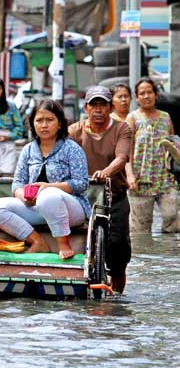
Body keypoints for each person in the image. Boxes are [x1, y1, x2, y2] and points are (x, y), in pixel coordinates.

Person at [0, 100, 90, 260]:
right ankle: (37, 242)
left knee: (49, 196)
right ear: (33, 124)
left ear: (59, 124)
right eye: (39, 120)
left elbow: (81, 183)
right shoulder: (28, 150)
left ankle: (63, 243)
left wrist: (49, 187)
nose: (44, 125)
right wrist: (24, 197)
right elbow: (17, 183)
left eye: (49, 120)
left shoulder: (72, 149)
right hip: (35, 207)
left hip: (70, 208)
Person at [69, 86, 132, 293]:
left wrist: (105, 172)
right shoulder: (74, 131)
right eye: (93, 105)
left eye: (102, 105)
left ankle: (117, 294)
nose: (98, 110)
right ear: (86, 107)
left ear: (109, 107)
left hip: (115, 197)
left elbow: (122, 157)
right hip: (82, 198)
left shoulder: (121, 128)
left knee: (118, 247)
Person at [126, 78, 178, 234]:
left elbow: (173, 145)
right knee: (140, 230)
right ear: (137, 98)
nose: (146, 96)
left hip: (164, 178)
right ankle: (143, 256)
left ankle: (168, 255)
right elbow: (126, 151)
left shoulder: (165, 118)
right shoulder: (133, 118)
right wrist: (130, 176)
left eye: (149, 92)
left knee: (172, 217)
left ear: (156, 95)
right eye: (142, 93)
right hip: (141, 180)